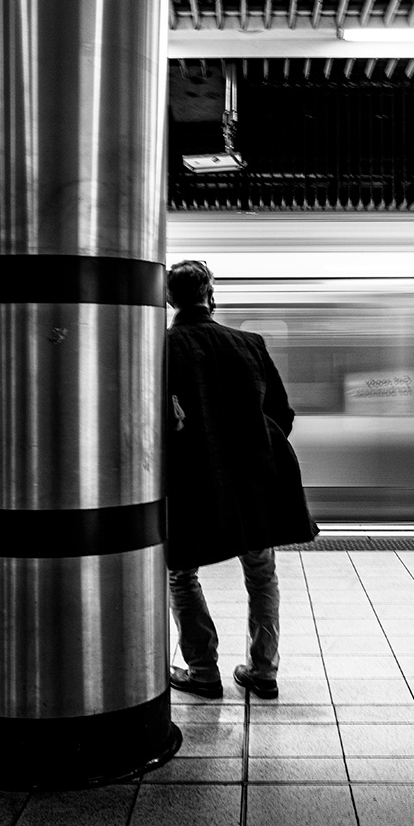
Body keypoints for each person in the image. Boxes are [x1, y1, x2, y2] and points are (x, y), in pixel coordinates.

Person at [165, 258, 317, 701]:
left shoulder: (162, 348)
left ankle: (202, 671)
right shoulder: (250, 343)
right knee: (261, 573)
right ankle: (263, 670)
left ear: (170, 299)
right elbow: (282, 415)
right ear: (211, 294)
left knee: (182, 574)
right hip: (253, 483)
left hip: (192, 484)